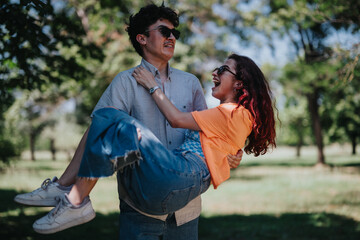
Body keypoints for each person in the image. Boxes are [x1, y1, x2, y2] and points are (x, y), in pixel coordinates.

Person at [14, 3, 243, 239]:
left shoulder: (191, 83)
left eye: (175, 33)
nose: (172, 37)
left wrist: (229, 153)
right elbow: (99, 132)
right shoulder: (125, 81)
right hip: (139, 208)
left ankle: (69, 194)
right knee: (106, 121)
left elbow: (206, 133)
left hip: (187, 209)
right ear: (142, 39)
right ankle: (66, 191)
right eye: (164, 31)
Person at [31, 53, 277, 235]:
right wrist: (230, 156)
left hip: (181, 177)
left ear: (239, 83)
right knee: (107, 123)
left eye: (223, 69)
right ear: (141, 39)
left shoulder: (235, 112)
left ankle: (73, 198)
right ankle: (71, 194)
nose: (215, 73)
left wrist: (152, 86)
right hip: (160, 186)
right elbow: (222, 144)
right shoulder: (230, 115)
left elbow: (177, 119)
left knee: (115, 120)